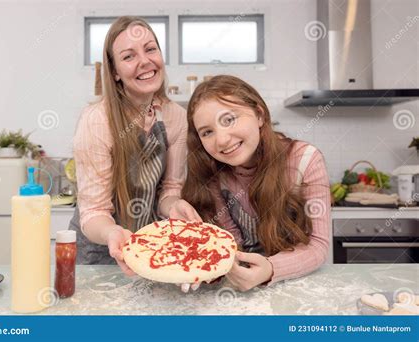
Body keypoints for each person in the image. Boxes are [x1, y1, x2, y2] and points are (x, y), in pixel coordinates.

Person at [170, 75, 331, 291]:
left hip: (301, 287)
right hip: (244, 289)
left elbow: (318, 246)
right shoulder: (215, 172)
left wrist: (271, 268)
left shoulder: (305, 160)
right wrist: (212, 264)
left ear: (259, 115)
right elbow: (233, 242)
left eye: (229, 120)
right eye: (207, 132)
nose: (222, 140)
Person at [69, 16, 187, 275]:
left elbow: (170, 189)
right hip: (98, 252)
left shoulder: (176, 116)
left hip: (150, 248)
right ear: (114, 72)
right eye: (129, 56)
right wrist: (113, 232)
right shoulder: (97, 121)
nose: (145, 61)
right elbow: (94, 211)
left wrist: (174, 206)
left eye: (150, 49)